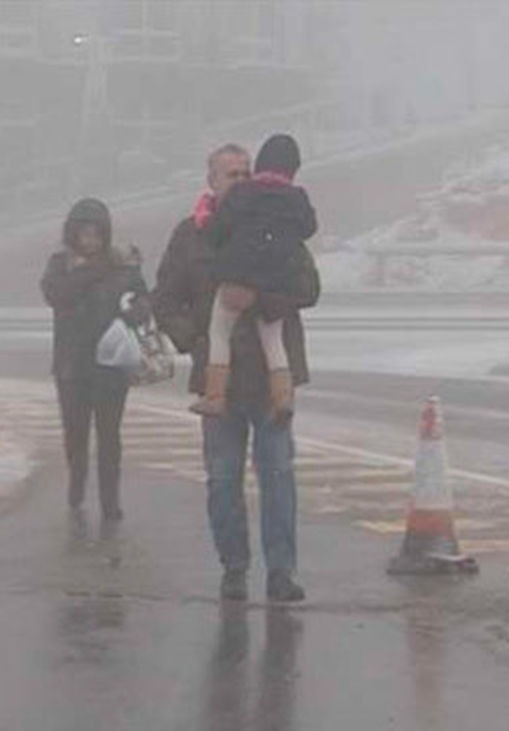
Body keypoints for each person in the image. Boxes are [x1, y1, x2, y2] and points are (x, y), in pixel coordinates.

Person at [152, 144, 320, 602]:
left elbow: (308, 289)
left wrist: (262, 303)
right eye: (231, 174)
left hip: (272, 377)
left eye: (247, 172)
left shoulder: (277, 227)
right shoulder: (191, 236)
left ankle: (281, 572)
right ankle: (234, 566)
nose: (241, 180)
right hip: (218, 379)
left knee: (278, 475)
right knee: (223, 479)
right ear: (211, 181)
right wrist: (197, 341)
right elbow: (164, 299)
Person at [190, 134, 317, 422]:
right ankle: (283, 398)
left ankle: (214, 396)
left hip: (236, 279)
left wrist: (210, 225)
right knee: (274, 342)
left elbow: (218, 230)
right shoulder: (296, 198)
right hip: (273, 286)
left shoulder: (243, 193)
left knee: (219, 331)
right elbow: (309, 227)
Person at [40, 198, 149, 522]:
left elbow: (143, 297)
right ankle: (76, 485)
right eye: (83, 233)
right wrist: (96, 269)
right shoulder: (61, 265)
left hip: (110, 363)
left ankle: (110, 499)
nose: (90, 240)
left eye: (96, 234)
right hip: (71, 365)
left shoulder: (122, 266)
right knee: (75, 432)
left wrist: (136, 312)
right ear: (72, 234)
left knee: (109, 435)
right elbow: (56, 294)